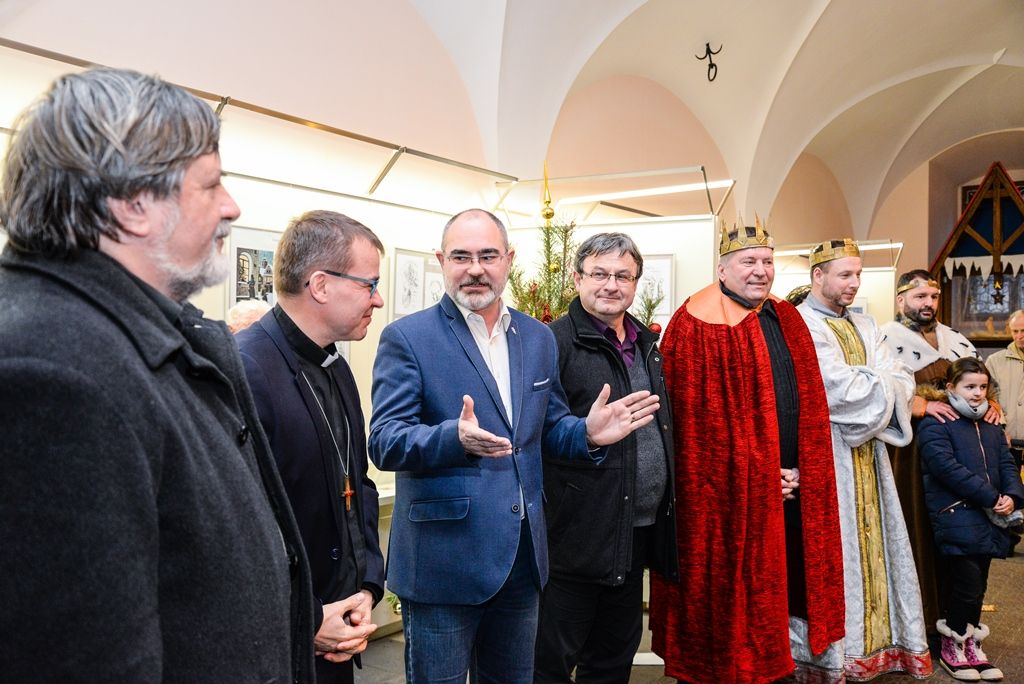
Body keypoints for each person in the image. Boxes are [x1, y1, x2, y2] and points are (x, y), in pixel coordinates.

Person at [0, 68, 315, 681]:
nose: (231, 206)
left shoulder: (136, 336)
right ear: (134, 206)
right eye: (212, 184)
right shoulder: (49, 374)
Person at [368, 208, 660, 683]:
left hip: (523, 562)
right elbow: (384, 440)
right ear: (441, 261)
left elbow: (549, 428)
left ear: (508, 260)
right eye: (461, 257)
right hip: (444, 564)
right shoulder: (408, 337)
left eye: (488, 256)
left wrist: (587, 433)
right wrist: (452, 437)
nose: (475, 269)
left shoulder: (537, 338)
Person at [649, 221, 845, 683]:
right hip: (725, 501)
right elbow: (697, 433)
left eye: (767, 261)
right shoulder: (696, 323)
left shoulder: (785, 315)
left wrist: (804, 467)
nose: (761, 270)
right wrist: (759, 477)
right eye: (748, 262)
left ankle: (775, 666)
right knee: (727, 602)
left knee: (784, 589)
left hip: (792, 483)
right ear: (722, 269)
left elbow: (810, 400)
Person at [236, 210, 386, 683]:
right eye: (369, 284)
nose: (378, 298)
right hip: (276, 642)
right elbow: (240, 524)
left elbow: (357, 483)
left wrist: (367, 586)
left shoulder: (335, 366)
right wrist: (304, 615)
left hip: (340, 623)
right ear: (320, 285)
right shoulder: (246, 368)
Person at [534, 233, 678, 683]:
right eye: (599, 274)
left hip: (633, 534)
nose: (611, 285)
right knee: (550, 664)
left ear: (635, 283)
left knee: (613, 662)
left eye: (622, 276)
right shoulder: (551, 343)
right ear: (577, 278)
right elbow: (536, 433)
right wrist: (588, 435)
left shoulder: (646, 342)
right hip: (574, 539)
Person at [797, 239, 931, 680]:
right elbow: (838, 389)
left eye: (858, 274)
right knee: (838, 550)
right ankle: (841, 653)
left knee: (879, 543)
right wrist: (881, 382)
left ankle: (880, 645)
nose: (855, 283)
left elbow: (902, 378)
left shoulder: (866, 323)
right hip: (828, 454)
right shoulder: (804, 325)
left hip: (870, 455)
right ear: (818, 275)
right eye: (845, 275)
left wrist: (878, 382)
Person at [879, 269, 994, 650]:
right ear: (901, 300)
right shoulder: (885, 339)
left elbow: (978, 382)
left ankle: (956, 615)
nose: (928, 303)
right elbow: (876, 389)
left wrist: (993, 405)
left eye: (933, 296)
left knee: (959, 530)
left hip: (960, 453)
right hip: (911, 457)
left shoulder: (954, 339)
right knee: (919, 528)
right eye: (919, 297)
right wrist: (914, 401)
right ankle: (922, 619)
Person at [918, 357, 1024, 681]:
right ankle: (953, 644)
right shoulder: (937, 422)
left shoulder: (991, 424)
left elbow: (1006, 462)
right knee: (965, 584)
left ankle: (971, 644)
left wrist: (1013, 495)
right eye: (969, 387)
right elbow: (945, 467)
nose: (977, 393)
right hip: (955, 514)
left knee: (979, 585)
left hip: (988, 517)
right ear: (952, 388)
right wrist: (991, 496)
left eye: (982, 387)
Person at [984, 309, 1024, 469]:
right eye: (1015, 331)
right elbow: (986, 399)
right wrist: (999, 430)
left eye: (1023, 331)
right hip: (1006, 443)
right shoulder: (994, 361)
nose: (1019, 336)